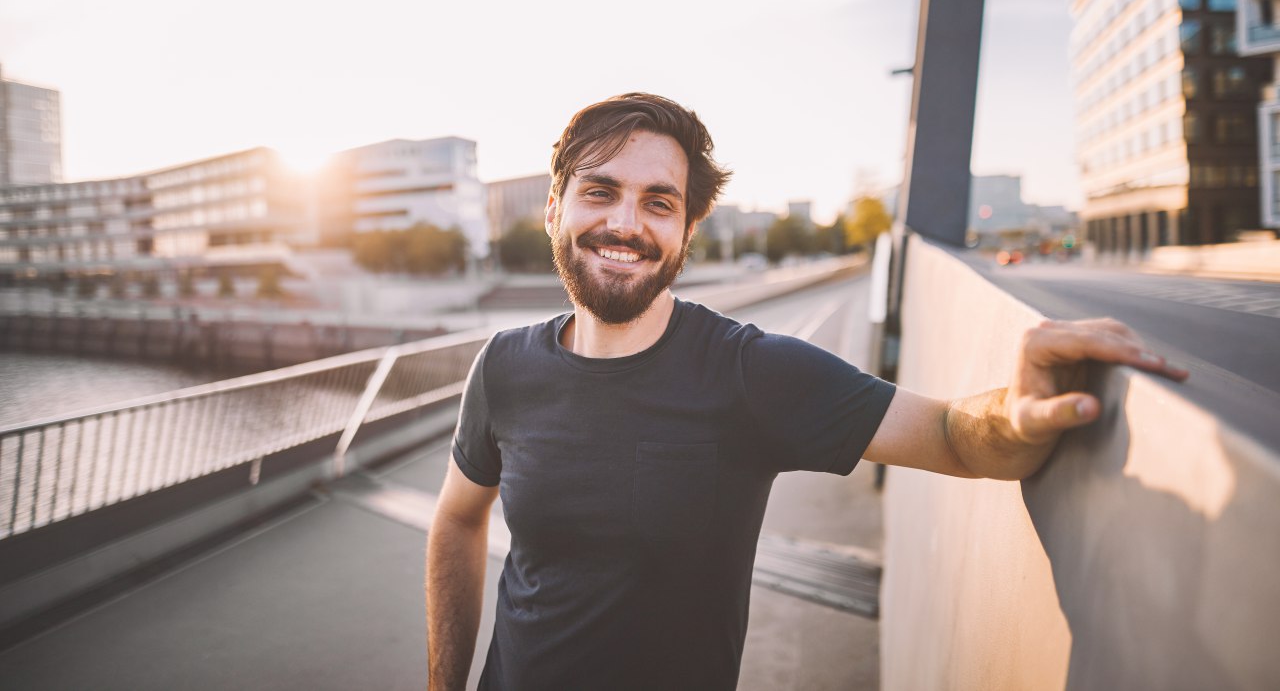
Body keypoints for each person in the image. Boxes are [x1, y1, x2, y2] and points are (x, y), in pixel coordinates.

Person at [425, 92, 1187, 690]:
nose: (626, 223)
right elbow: (458, 520)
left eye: (659, 202)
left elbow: (954, 433)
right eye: (601, 192)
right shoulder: (503, 366)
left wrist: (1015, 413)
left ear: (687, 231)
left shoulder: (751, 373)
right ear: (555, 209)